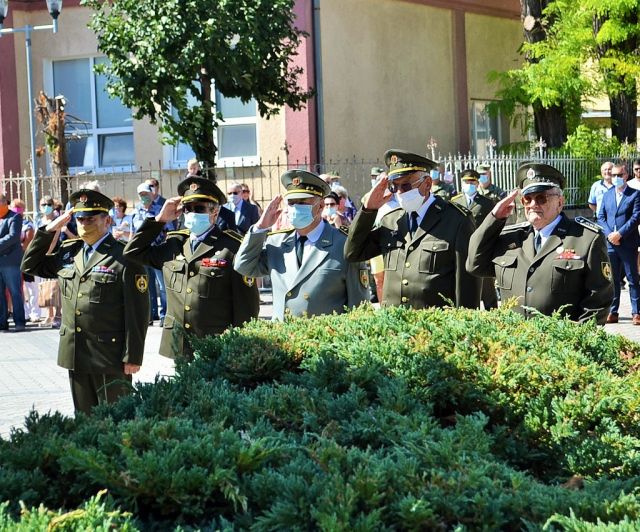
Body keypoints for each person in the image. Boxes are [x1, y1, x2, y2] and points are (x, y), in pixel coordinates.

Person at [21, 189, 149, 414]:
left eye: (90, 219)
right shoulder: (69, 252)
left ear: (107, 220)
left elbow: (138, 312)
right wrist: (50, 230)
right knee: (84, 420)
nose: (84, 224)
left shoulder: (125, 257)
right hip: (76, 353)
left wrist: (133, 356)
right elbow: (30, 265)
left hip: (110, 356)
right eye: (80, 219)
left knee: (116, 421)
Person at [124, 177, 260, 359]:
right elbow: (132, 252)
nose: (192, 213)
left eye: (199, 208)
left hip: (215, 345)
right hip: (178, 344)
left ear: (215, 211)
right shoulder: (174, 243)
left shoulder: (232, 248)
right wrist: (160, 220)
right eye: (187, 208)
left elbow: (246, 307)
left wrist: (239, 349)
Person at [467, 162, 613, 324]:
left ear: (560, 202)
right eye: (527, 199)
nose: (533, 205)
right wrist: (494, 218)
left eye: (541, 198)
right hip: (515, 338)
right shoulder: (511, 238)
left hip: (559, 338)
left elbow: (599, 300)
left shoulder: (586, 239)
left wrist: (574, 336)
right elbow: (474, 264)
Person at [345, 149, 480, 309]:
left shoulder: (456, 220)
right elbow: (353, 253)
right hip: (394, 321)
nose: (400, 192)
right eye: (394, 187)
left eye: (406, 185)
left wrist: (465, 322)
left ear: (427, 184)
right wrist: (368, 210)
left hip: (435, 322)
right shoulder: (391, 220)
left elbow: (467, 287)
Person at [234, 169, 370, 320]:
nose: (295, 208)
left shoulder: (343, 244)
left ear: (320, 206)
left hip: (323, 333)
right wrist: (260, 227)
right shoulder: (277, 243)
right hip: (282, 333)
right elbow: (243, 266)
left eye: (301, 203)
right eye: (291, 203)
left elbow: (359, 307)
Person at [597, 161, 640, 324]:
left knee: (632, 279)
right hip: (610, 244)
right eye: (613, 175)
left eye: (619, 175)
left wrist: (620, 234)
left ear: (626, 175)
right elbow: (601, 217)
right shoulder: (607, 195)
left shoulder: (635, 194)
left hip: (628, 242)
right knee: (612, 279)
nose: (616, 178)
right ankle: (613, 312)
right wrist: (609, 235)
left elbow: (636, 217)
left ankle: (636, 312)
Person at [452, 169, 497, 309]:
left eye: (472, 182)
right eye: (466, 182)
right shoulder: (455, 202)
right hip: (462, 247)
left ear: (477, 184)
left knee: (486, 283)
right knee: (463, 281)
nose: (469, 184)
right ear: (462, 183)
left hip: (481, 248)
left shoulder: (487, 203)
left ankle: (492, 312)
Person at [132, 182, 174, 325]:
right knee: (146, 286)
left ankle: (164, 316)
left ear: (152, 194)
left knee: (162, 286)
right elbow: (134, 232)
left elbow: (169, 229)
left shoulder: (160, 209)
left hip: (158, 251)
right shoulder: (136, 212)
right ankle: (150, 315)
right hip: (142, 253)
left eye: (146, 194)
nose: (144, 197)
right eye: (141, 194)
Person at [0, 194, 26, 332]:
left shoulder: (15, 217)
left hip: (10, 262)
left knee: (15, 292)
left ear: (4, 202)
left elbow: (13, 237)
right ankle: (2, 322)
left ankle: (19, 321)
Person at [11, 199, 39, 323]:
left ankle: (34, 312)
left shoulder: (27, 224)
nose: (15, 209)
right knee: (18, 287)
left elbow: (27, 242)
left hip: (26, 259)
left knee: (31, 287)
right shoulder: (10, 222)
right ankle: (25, 312)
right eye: (13, 207)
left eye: (18, 207)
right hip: (13, 260)